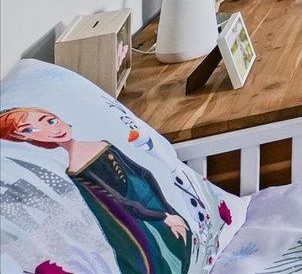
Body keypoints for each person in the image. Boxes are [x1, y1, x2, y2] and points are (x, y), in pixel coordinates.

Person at [0, 107, 190, 274]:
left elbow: (143, 173)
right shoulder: (76, 168)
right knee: (159, 256)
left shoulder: (101, 145)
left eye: (50, 121)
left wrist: (166, 208)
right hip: (143, 217)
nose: (52, 130)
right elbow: (117, 202)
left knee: (182, 244)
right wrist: (162, 216)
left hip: (150, 200)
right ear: (23, 138)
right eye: (31, 130)